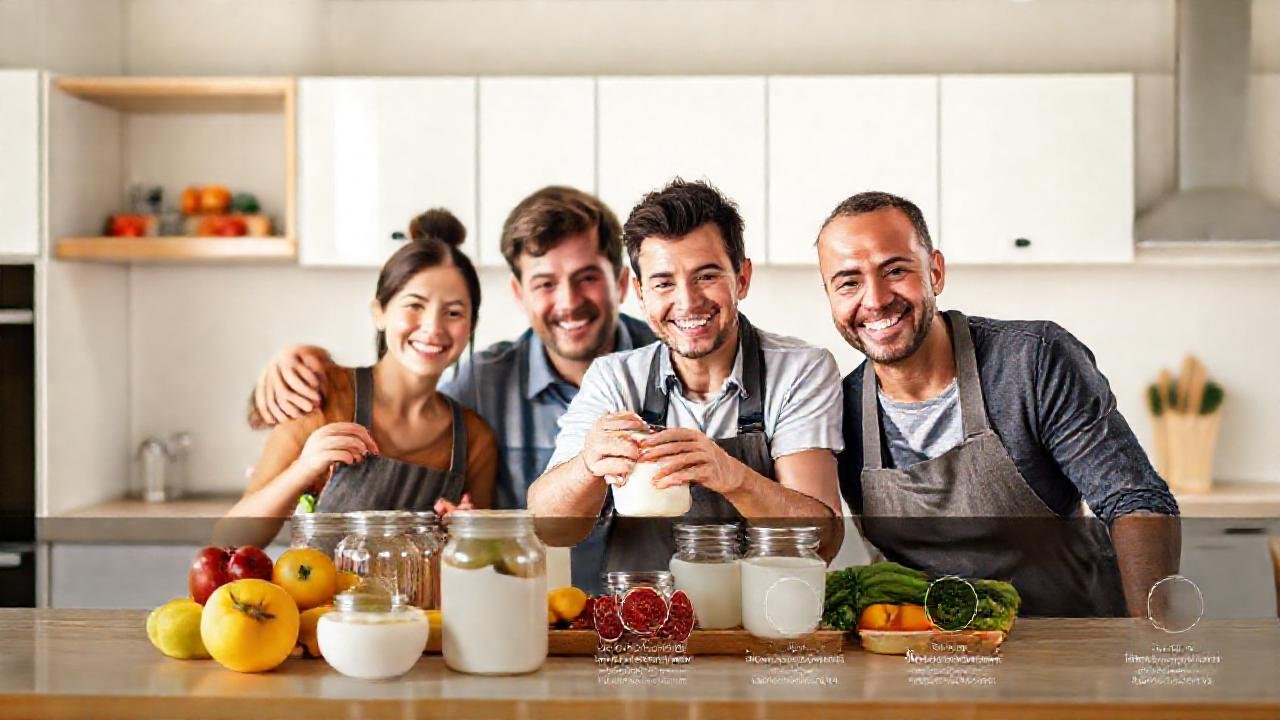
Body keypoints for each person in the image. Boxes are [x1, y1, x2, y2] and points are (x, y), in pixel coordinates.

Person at [246, 187, 655, 587]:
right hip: (533, 614)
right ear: (519, 294)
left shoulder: (669, 364)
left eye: (587, 278)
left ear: (622, 283)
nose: (568, 302)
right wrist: (295, 365)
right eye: (545, 283)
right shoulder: (482, 384)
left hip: (657, 610)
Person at [817, 190, 1180, 617]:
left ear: (935, 272)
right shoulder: (837, 411)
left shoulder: (1033, 362)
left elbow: (1136, 501)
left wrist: (1148, 639)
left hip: (1074, 639)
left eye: (895, 270)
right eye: (849, 282)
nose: (876, 300)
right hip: (930, 648)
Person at [528, 179, 844, 578]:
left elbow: (822, 541)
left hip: (763, 613)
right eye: (664, 283)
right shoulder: (615, 379)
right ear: (640, 293)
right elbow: (548, 529)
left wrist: (733, 476)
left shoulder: (800, 370)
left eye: (706, 276)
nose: (688, 301)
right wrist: (587, 467)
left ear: (742, 278)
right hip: (641, 611)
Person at [223, 209, 497, 546]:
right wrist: (303, 469)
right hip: (320, 584)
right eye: (414, 305)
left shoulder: (474, 439)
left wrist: (469, 534)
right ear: (379, 313)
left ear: (471, 326)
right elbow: (229, 540)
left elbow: (479, 560)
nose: (433, 327)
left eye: (453, 312)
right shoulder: (323, 395)